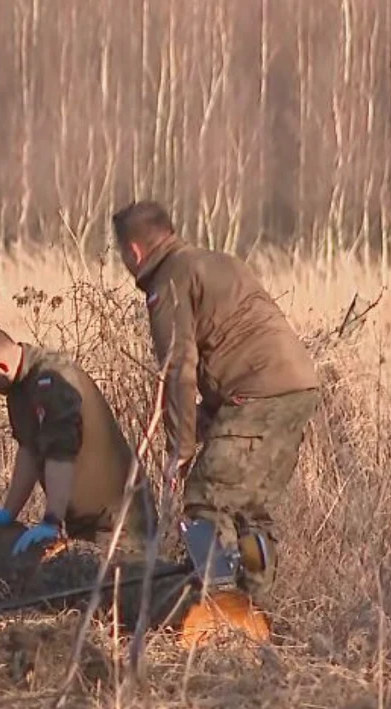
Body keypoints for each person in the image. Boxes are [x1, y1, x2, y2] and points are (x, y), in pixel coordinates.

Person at [112, 200, 320, 607]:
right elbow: (226, 348)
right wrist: (209, 419)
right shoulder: (216, 262)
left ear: (133, 252)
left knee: (206, 501)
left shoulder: (168, 280)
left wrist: (181, 449)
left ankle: (218, 616)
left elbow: (180, 370)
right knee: (246, 507)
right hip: (297, 386)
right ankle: (257, 609)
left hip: (256, 391)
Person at [0, 324, 155, 559]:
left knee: (111, 591)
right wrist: (8, 513)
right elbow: (29, 450)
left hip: (119, 522)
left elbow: (60, 453)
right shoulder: (18, 389)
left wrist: (51, 520)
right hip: (82, 523)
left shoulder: (52, 380)